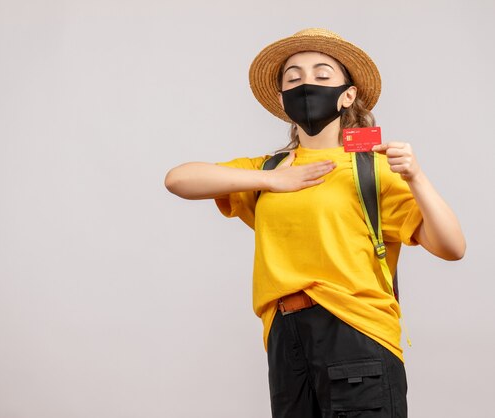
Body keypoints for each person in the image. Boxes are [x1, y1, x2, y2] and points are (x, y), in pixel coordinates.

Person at [164, 28, 465, 418]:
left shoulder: (372, 168)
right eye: (293, 77)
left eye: (322, 75)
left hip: (356, 331)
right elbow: (178, 179)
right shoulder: (268, 169)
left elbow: (452, 247)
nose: (306, 83)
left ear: (348, 94)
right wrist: (273, 180)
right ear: (281, 99)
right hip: (284, 337)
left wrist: (417, 178)